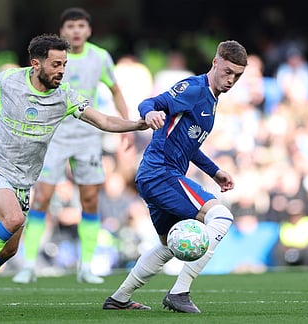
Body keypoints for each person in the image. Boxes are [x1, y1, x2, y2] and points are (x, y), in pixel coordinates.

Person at [0, 33, 148, 311]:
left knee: (9, 250)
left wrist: (137, 125)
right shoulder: (10, 80)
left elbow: (103, 120)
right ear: (36, 64)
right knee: (13, 218)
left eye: (64, 65)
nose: (61, 71)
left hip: (25, 182)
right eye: (55, 65)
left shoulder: (64, 97)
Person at [102, 40, 248, 313]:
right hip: (161, 173)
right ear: (215, 62)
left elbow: (188, 145)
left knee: (170, 244)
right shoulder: (194, 89)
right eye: (227, 71)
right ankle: (180, 292)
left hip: (156, 175)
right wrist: (152, 113)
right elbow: (150, 102)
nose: (231, 79)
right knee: (221, 217)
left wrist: (214, 172)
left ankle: (119, 298)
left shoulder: (212, 100)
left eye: (237, 75)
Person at [12, 7, 132, 285]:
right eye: (71, 27)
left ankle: (86, 266)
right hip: (53, 136)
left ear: (88, 31)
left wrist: (125, 125)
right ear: (62, 31)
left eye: (81, 26)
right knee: (42, 197)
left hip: (88, 135)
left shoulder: (100, 57)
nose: (76, 31)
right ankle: (29, 264)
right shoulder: (52, 58)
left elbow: (115, 90)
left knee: (89, 199)